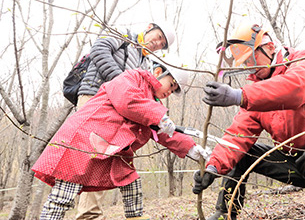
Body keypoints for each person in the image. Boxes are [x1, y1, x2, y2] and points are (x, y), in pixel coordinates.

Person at [192, 23, 305, 220]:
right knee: (241, 153)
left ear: (270, 47)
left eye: (252, 59)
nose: (250, 67)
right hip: (296, 161)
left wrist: (240, 96)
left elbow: (296, 89)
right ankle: (224, 214)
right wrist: (213, 167)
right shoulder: (256, 90)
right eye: (245, 63)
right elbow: (237, 136)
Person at [32, 60, 210, 220]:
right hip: (83, 140)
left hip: (112, 148)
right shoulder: (132, 78)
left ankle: (135, 217)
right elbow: (128, 100)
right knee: (64, 195)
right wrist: (159, 117)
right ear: (158, 72)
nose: (169, 92)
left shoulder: (153, 105)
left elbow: (162, 132)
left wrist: (190, 148)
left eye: (172, 91)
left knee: (131, 182)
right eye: (170, 85)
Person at [75, 22, 176, 220]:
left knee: (107, 157)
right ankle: (88, 216)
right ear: (149, 27)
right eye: (158, 36)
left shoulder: (143, 63)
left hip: (115, 108)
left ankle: (90, 214)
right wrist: (122, 83)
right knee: (96, 157)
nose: (157, 43)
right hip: (94, 98)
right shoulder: (123, 35)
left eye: (162, 44)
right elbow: (99, 50)